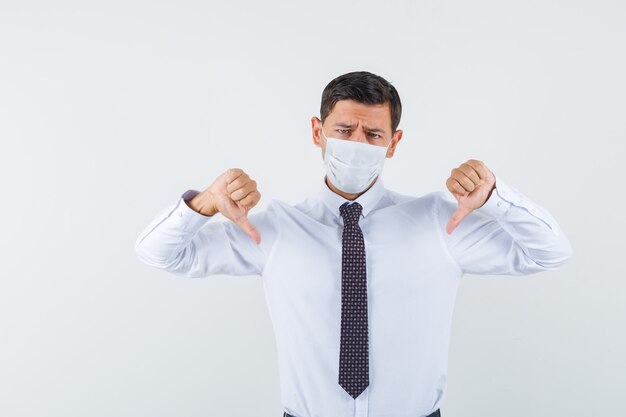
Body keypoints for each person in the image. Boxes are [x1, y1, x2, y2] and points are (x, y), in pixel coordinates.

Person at [134, 71, 572, 417]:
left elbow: (550, 251)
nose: (357, 144)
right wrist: (205, 203)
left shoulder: (440, 222)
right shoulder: (273, 229)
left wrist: (496, 199)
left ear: (394, 143)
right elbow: (159, 253)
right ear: (317, 131)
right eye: (343, 129)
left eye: (373, 135)